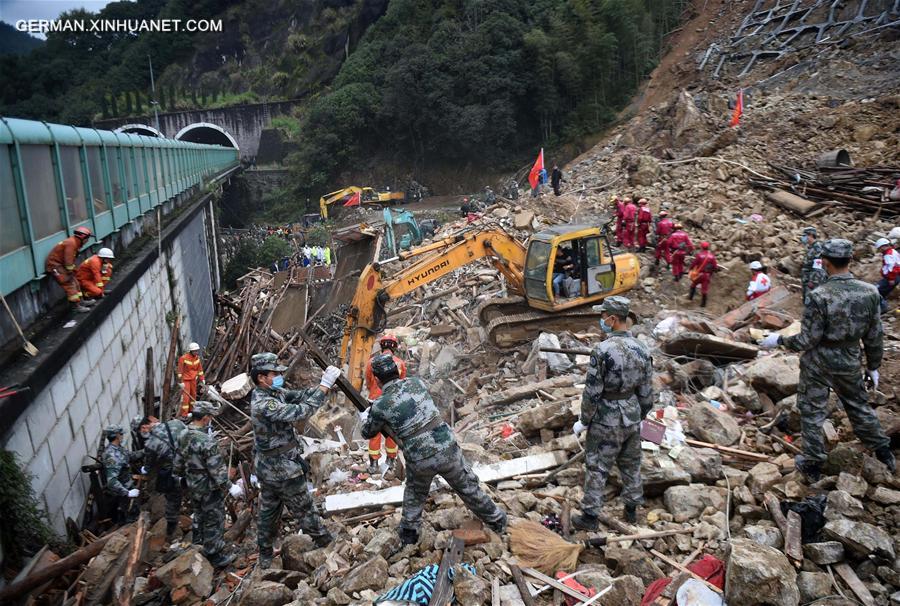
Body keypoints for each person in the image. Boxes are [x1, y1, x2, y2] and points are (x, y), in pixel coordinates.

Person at [759, 239, 895, 480]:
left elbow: (807, 340)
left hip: (818, 362)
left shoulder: (819, 295)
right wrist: (874, 365)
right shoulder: (870, 292)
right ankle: (884, 452)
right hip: (850, 359)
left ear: (825, 263)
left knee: (812, 412)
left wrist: (778, 341)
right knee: (858, 406)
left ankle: (813, 463)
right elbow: (875, 335)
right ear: (850, 261)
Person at [360, 354, 507, 544]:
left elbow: (368, 432)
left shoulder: (380, 405)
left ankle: (409, 537)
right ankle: (498, 521)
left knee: (415, 494)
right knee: (468, 487)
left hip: (419, 458)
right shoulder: (416, 383)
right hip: (446, 447)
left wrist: (366, 415)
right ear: (397, 371)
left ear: (377, 380)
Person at [249, 353, 341, 568]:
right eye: (275, 373)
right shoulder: (264, 404)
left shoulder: (274, 392)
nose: (279, 376)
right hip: (281, 470)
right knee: (304, 508)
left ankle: (264, 555)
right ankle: (326, 542)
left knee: (268, 511)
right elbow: (300, 412)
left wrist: (322, 387)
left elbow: (300, 395)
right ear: (262, 378)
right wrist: (324, 387)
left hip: (271, 467)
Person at [572, 297, 653, 528]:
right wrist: (641, 415)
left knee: (597, 465)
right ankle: (631, 510)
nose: (601, 320)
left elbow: (592, 391)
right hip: (632, 415)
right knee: (631, 464)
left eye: (603, 315)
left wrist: (584, 420)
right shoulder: (642, 349)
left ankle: (590, 517)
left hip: (606, 419)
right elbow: (647, 391)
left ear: (613, 319)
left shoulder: (603, 350)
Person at [174, 401, 244, 568]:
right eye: (210, 417)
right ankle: (214, 555)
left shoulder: (182, 435)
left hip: (192, 483)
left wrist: (182, 477)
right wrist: (230, 487)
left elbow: (177, 463)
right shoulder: (206, 441)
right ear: (205, 418)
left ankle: (198, 544)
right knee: (214, 519)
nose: (211, 420)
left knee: (198, 514)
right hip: (208, 486)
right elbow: (217, 470)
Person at [365, 334, 408, 473]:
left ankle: (373, 463)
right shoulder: (400, 363)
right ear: (395, 347)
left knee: (374, 433)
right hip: (393, 401)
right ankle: (390, 460)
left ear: (382, 345)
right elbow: (401, 381)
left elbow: (368, 380)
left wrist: (372, 390)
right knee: (392, 432)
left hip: (375, 401)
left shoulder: (371, 362)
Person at [140, 415, 188, 538]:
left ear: (145, 426)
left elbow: (150, 464)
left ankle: (171, 531)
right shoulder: (176, 423)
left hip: (174, 473)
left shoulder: (150, 443)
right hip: (191, 464)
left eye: (141, 430)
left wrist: (145, 468)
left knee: (173, 499)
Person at [45, 226, 93, 312]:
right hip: (55, 265)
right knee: (69, 283)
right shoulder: (71, 244)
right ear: (82, 237)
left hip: (61, 265)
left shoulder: (74, 243)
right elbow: (68, 261)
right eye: (87, 238)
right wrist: (71, 271)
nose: (88, 241)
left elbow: (69, 262)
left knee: (75, 282)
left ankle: (81, 302)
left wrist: (73, 271)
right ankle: (75, 306)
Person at [102, 425, 142, 524]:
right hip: (123, 494)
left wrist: (146, 451)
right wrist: (127, 493)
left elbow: (130, 456)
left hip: (128, 488)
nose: (122, 436)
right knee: (131, 520)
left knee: (135, 515)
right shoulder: (112, 455)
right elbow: (111, 481)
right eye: (121, 434)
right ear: (117, 436)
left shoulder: (118, 449)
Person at [177, 343, 205, 417]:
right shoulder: (183, 358)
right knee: (186, 397)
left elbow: (200, 370)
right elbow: (180, 371)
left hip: (193, 379)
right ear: (190, 351)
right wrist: (180, 381)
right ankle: (184, 414)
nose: (196, 352)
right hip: (185, 380)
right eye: (194, 351)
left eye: (197, 351)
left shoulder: (197, 358)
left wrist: (202, 378)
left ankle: (192, 410)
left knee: (193, 394)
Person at [801, 227, 827, 306]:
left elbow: (817, 267)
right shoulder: (811, 247)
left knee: (811, 303)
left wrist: (812, 281)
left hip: (813, 281)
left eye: (805, 235)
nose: (803, 238)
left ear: (811, 235)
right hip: (807, 280)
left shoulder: (817, 247)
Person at [874, 237, 900, 313]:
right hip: (895, 276)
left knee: (876, 290)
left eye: (880, 248)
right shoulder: (893, 251)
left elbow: (891, 268)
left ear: (883, 247)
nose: (880, 250)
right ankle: (882, 306)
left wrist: (891, 278)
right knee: (883, 291)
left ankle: (883, 308)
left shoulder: (888, 255)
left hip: (892, 277)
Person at [688, 242, 718, 308]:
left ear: (701, 247)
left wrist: (690, 269)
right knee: (704, 290)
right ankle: (703, 304)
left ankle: (690, 298)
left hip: (699, 274)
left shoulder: (699, 255)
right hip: (707, 275)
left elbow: (694, 264)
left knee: (693, 285)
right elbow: (715, 267)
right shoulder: (712, 256)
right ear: (708, 247)